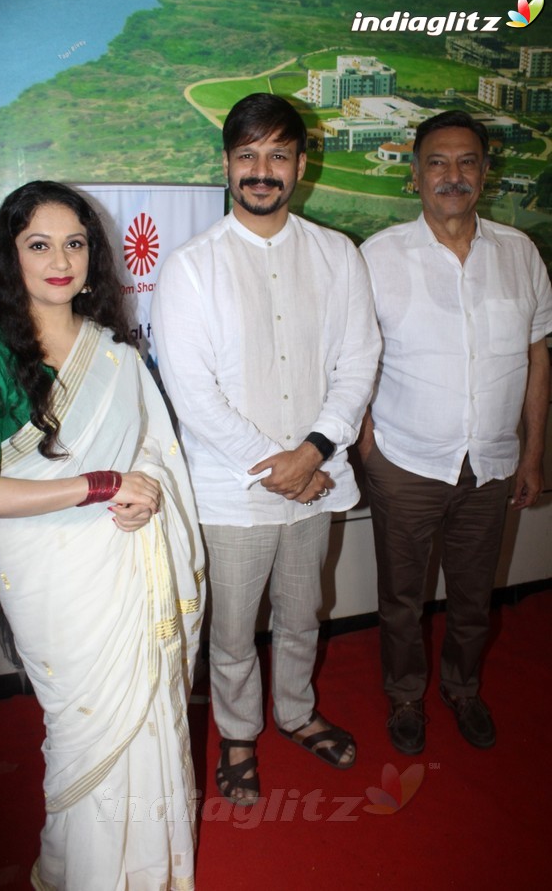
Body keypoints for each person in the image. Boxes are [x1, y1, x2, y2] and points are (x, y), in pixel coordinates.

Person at [0, 181, 205, 890]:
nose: (60, 259)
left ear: (93, 256)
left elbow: (151, 451)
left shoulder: (117, 354)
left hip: (123, 555)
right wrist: (97, 487)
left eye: (75, 242)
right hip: (49, 572)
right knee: (81, 728)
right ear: (12, 257)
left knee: (146, 714)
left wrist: (141, 494)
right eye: (39, 244)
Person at [152, 93, 380, 805]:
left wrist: (312, 452)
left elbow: (358, 361)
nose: (262, 170)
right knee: (232, 628)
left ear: (300, 166)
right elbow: (194, 395)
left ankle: (296, 712)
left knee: (302, 611)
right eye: (247, 155)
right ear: (226, 164)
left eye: (277, 154)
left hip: (316, 481)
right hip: (232, 492)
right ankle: (240, 732)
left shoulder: (336, 255)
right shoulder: (191, 266)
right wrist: (283, 468)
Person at [358, 110, 552, 755]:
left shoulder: (521, 254)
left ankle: (463, 690)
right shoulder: (378, 256)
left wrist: (532, 456)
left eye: (467, 161)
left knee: (475, 597)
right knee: (401, 600)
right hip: (406, 460)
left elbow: (537, 358)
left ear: (486, 173)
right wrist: (366, 444)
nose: (453, 175)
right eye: (437, 162)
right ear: (414, 176)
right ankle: (406, 697)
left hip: (494, 463)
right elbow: (353, 358)